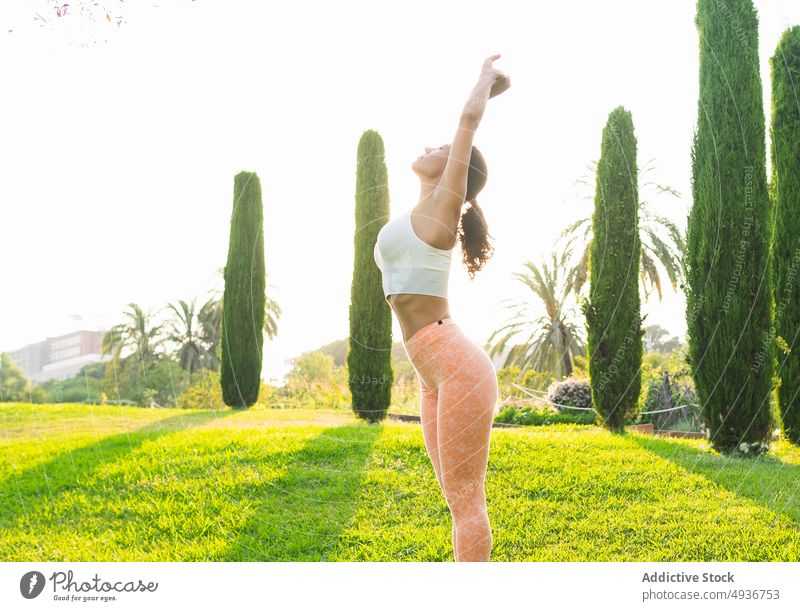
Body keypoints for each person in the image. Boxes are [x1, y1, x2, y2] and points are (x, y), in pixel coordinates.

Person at [373, 54, 511, 561]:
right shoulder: (415, 213)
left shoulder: (444, 206)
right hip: (431, 372)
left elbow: (467, 123)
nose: (431, 147)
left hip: (456, 366)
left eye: (444, 149)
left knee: (467, 500)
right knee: (457, 502)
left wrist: (483, 81)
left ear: (457, 167)